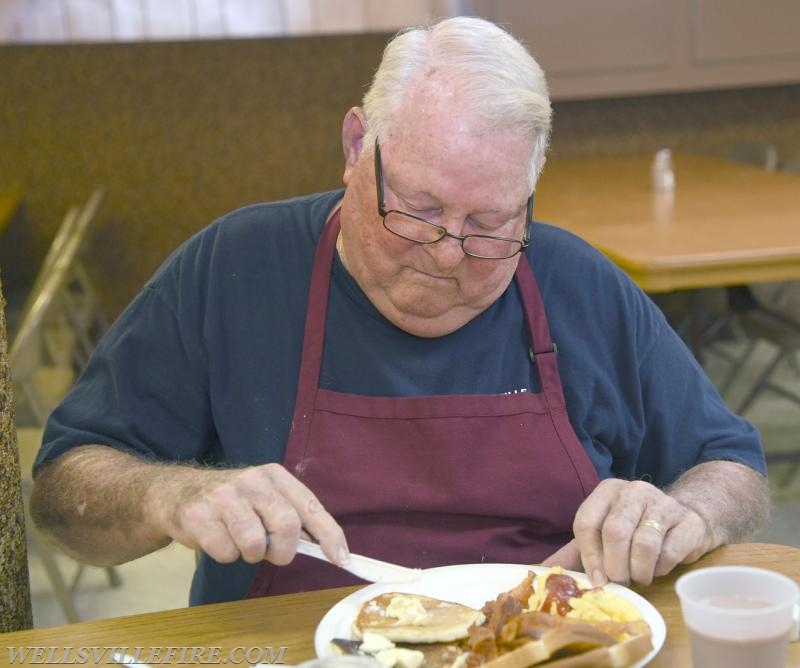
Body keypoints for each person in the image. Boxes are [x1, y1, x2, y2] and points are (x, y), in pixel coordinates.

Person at [31, 16, 768, 605]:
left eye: (490, 224)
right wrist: (171, 494)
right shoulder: (236, 267)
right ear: (358, 146)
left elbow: (730, 465)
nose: (448, 254)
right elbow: (63, 495)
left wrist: (687, 515)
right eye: (418, 210)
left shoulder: (579, 283)